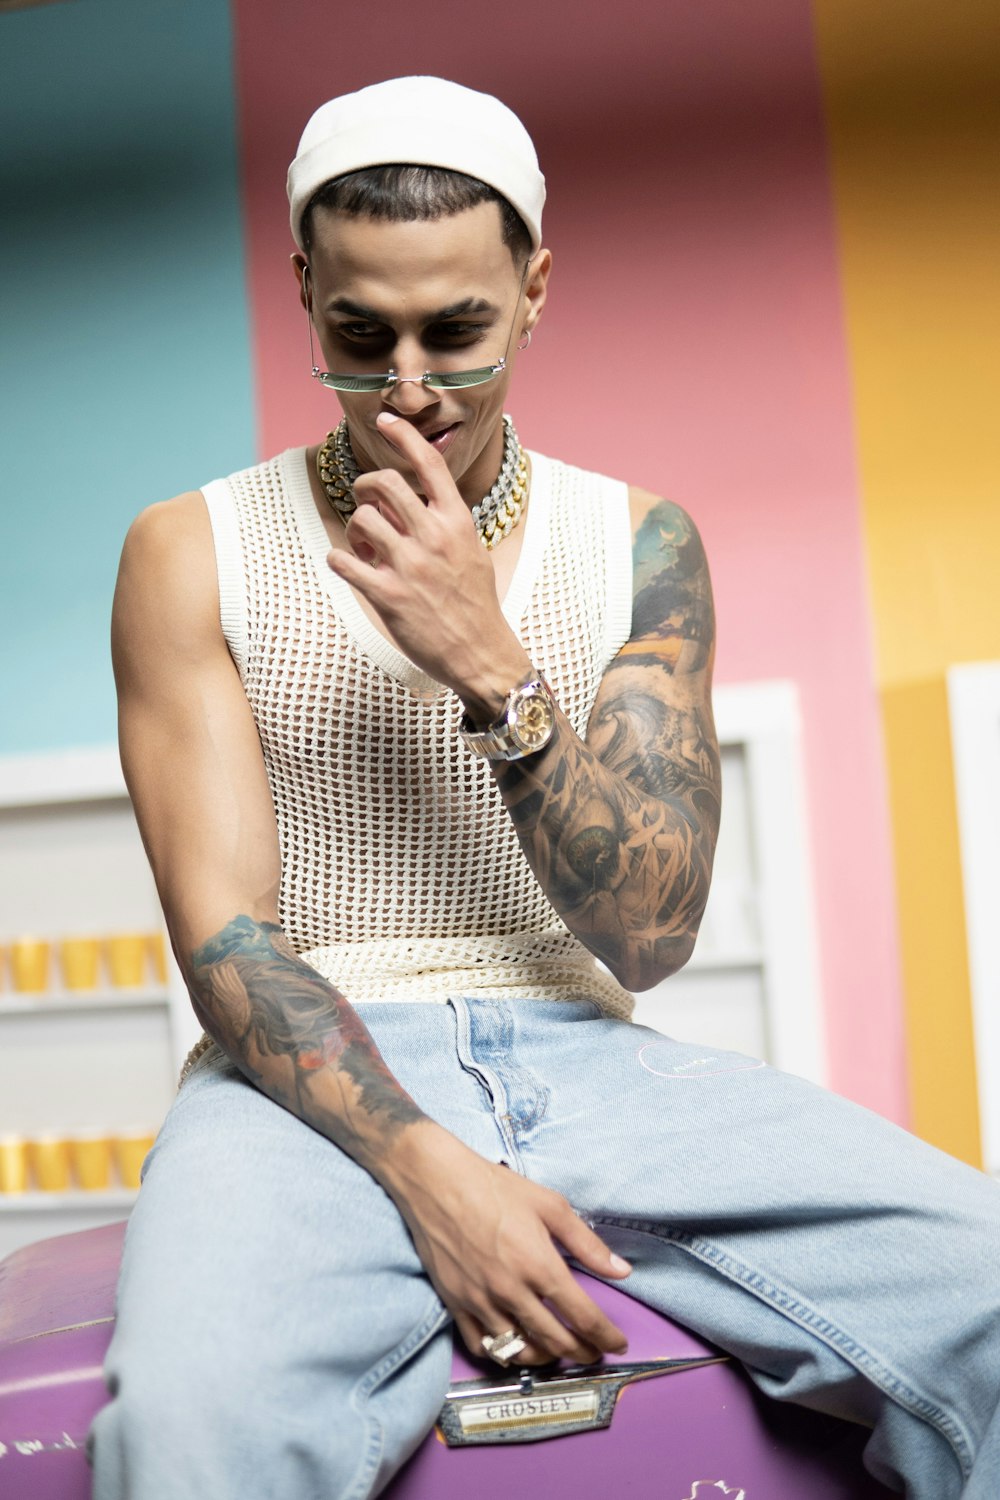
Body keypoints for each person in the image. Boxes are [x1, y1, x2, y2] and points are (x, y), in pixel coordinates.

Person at [90, 76, 999, 1499]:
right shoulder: (189, 549)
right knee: (191, 1433)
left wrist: (488, 663)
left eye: (456, 334)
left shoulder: (639, 543)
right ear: (303, 290)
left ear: (533, 288)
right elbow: (230, 943)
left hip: (594, 1051)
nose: (407, 388)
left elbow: (652, 931)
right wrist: (439, 1182)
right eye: (357, 334)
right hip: (302, 1082)